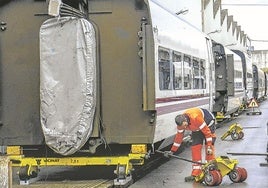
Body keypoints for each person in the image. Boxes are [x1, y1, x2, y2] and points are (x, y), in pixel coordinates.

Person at [164, 107, 217, 181]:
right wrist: (172, 151)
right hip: (196, 128)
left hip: (208, 123)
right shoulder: (181, 125)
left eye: (185, 125)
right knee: (195, 148)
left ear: (185, 120)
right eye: (183, 127)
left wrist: (209, 146)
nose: (185, 127)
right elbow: (178, 138)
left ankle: (212, 171)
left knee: (209, 150)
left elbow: (207, 134)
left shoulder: (196, 118)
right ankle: (196, 174)